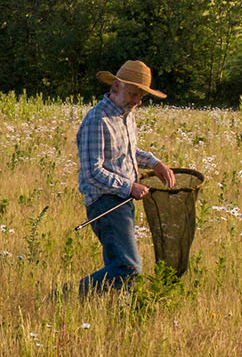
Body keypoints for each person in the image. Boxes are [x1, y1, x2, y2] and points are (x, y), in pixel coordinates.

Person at [75, 59, 176, 295]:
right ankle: (67, 297)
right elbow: (92, 172)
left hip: (122, 201)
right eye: (133, 94)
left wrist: (155, 163)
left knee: (118, 269)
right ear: (117, 86)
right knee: (127, 267)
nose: (137, 101)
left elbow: (127, 152)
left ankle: (116, 314)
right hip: (105, 204)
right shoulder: (96, 121)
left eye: (141, 96)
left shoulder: (126, 115)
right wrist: (129, 186)